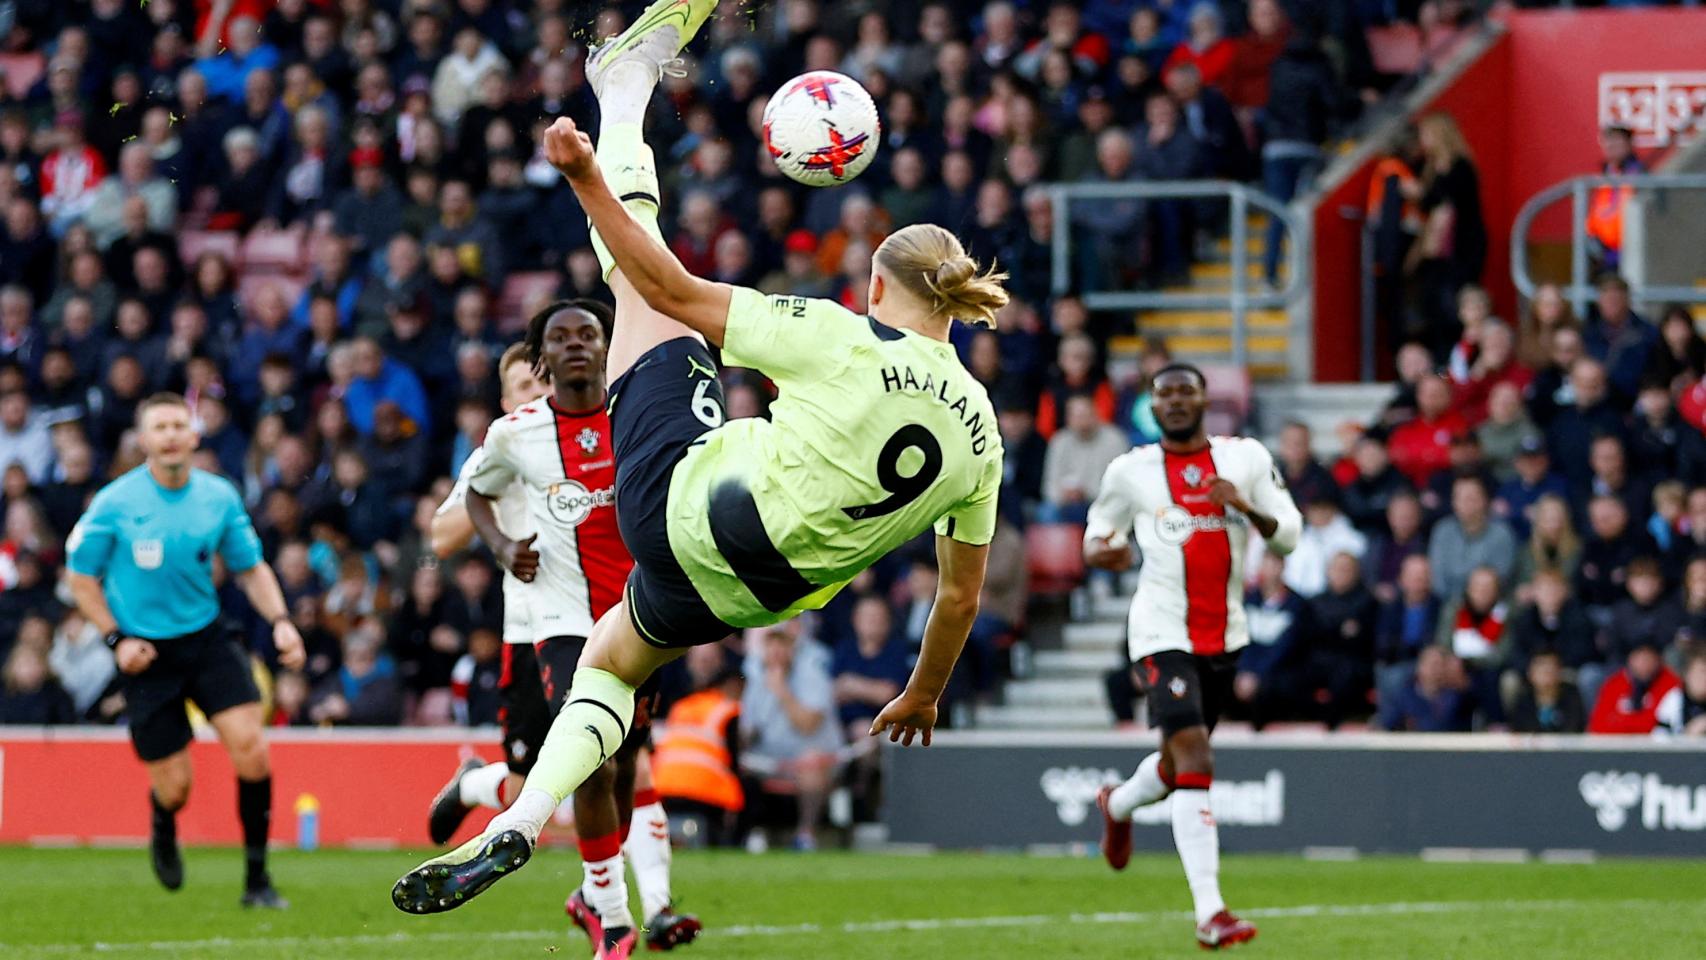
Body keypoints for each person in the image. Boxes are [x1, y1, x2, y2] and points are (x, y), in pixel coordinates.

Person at [394, 0, 1006, 927]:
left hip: (685, 503)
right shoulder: (984, 439)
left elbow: (667, 285)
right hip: (762, 594)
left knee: (652, 297)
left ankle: (624, 88)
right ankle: (519, 816)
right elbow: (958, 598)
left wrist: (584, 179)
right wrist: (922, 692)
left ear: (877, 286)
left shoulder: (844, 337)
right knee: (615, 663)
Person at [428, 307, 699, 953]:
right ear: (540, 357)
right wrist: (498, 545)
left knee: (626, 763)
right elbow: (473, 496)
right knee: (595, 765)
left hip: (640, 615)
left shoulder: (638, 413)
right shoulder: (514, 432)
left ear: (608, 349)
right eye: (560, 338)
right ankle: (613, 914)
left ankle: (589, 887)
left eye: (588, 335)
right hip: (555, 620)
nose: (575, 346)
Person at [1086, 363, 1301, 950]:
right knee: (1196, 755)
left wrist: (1247, 509)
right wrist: (1101, 552)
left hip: (1226, 635)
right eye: (1165, 394)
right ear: (1151, 407)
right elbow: (1096, 533)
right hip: (1159, 633)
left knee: (1178, 765)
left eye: (1187, 391)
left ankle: (1119, 802)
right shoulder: (1130, 470)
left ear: (1207, 400)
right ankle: (1211, 911)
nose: (1176, 401)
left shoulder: (1246, 460)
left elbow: (1290, 536)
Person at [65, 392, 304, 908]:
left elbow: (251, 567)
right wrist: (116, 639)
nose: (171, 434)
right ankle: (163, 820)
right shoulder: (115, 502)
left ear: (194, 436)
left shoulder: (218, 496)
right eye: (160, 427)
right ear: (144, 440)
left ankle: (257, 882)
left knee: (252, 749)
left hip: (205, 638)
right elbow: (81, 578)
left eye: (179, 425)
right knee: (177, 788)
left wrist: (281, 621)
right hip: (144, 653)